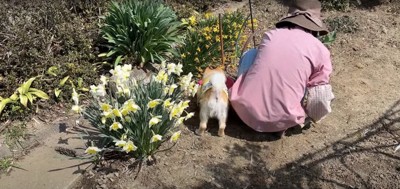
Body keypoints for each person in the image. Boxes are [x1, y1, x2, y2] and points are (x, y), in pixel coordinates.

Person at [228, 0, 335, 136]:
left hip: (243, 111)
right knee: (310, 81)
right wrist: (311, 116)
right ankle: (280, 119)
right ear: (314, 26)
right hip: (283, 120)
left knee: (251, 54)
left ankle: (246, 98)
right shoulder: (321, 50)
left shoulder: (271, 35)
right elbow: (320, 95)